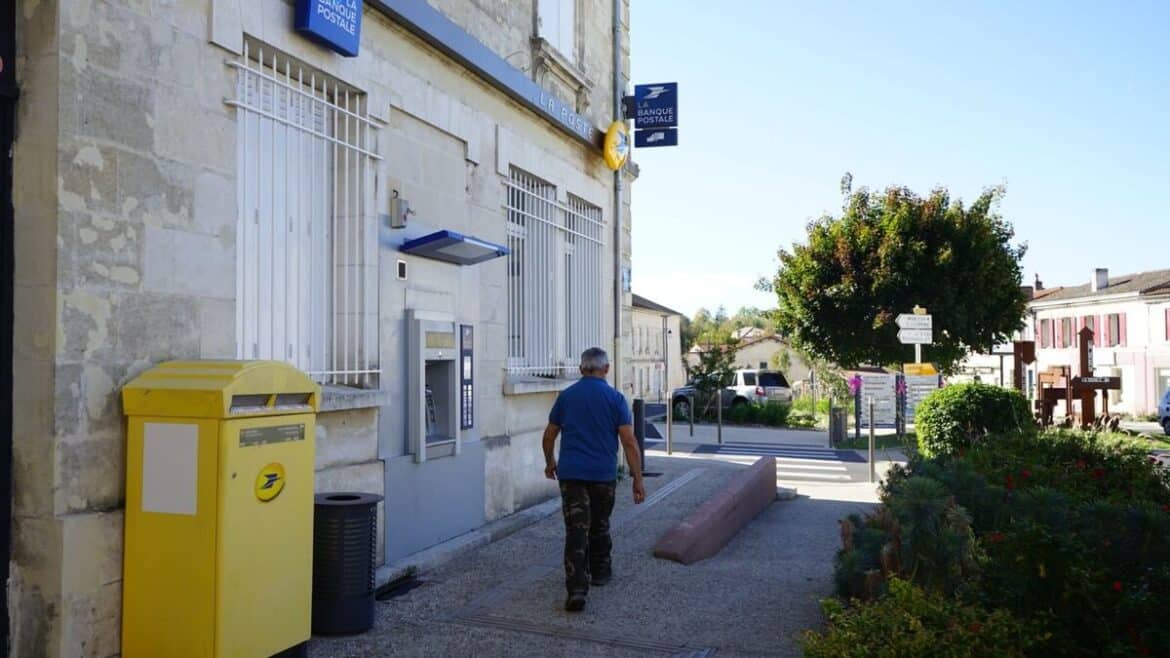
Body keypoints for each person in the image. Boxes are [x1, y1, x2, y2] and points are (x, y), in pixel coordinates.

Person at [542, 347, 645, 612]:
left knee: (577, 529)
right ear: (606, 369)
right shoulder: (615, 398)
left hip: (572, 475)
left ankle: (576, 588)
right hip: (603, 475)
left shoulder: (566, 397)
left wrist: (550, 462)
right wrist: (637, 478)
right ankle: (600, 572)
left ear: (580, 369)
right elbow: (629, 441)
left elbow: (549, 435)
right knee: (600, 524)